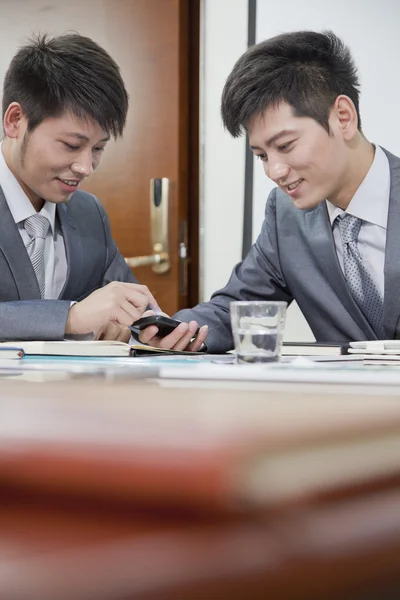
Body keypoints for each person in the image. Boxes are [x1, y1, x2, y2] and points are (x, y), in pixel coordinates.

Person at [140, 30, 400, 353]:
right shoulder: (286, 214)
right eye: (262, 155)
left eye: (285, 145)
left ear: (343, 118)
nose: (274, 172)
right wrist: (175, 329)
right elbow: (235, 307)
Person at [0, 32, 163, 343]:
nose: (86, 168)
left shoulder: (89, 213)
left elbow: (129, 309)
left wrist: (147, 327)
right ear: (15, 120)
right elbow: (78, 316)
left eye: (98, 148)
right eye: (71, 145)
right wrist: (71, 317)